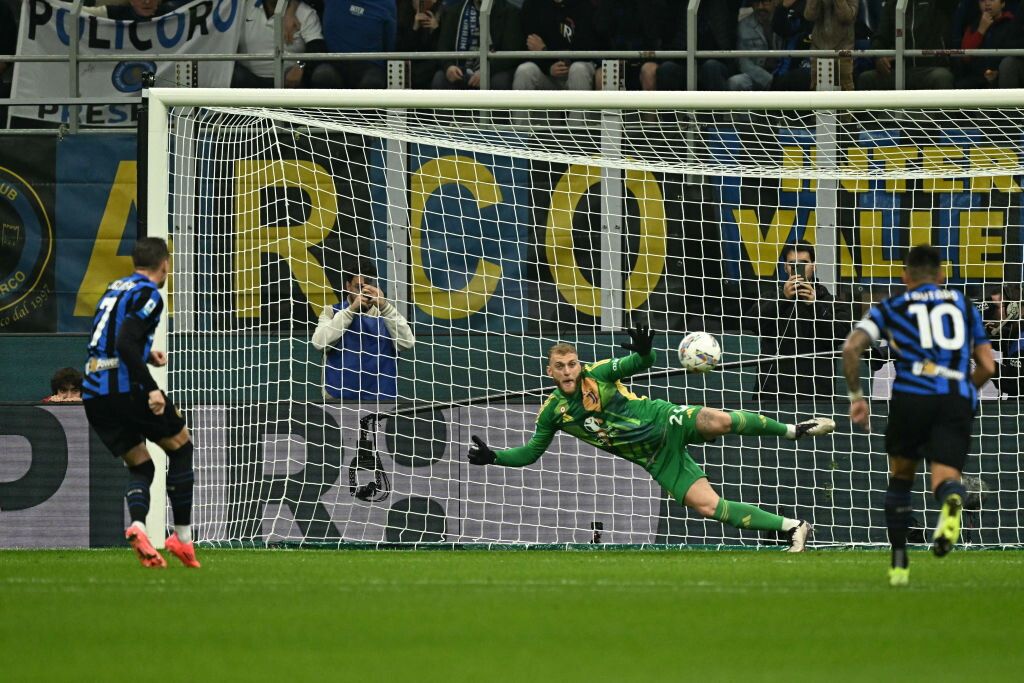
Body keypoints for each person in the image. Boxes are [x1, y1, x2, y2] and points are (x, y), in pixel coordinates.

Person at [467, 326, 837, 551]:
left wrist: (644, 350)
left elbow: (640, 363)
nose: (568, 371)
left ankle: (793, 430)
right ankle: (793, 528)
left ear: (580, 364)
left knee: (719, 421)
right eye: (560, 366)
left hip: (665, 420)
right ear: (550, 372)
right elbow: (531, 452)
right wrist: (495, 457)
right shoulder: (552, 412)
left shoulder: (600, 373)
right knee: (708, 506)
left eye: (572, 364)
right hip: (655, 458)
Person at [842, 244, 995, 587]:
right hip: (953, 400)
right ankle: (952, 499)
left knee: (901, 478)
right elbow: (988, 366)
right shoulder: (963, 305)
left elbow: (851, 347)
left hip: (911, 398)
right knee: (944, 479)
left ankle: (899, 564)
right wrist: (964, 392)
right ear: (941, 275)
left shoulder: (893, 306)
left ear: (904, 277)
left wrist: (857, 398)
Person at [82, 238, 200, 569]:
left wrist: (145, 354)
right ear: (164, 264)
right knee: (181, 446)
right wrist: (152, 389)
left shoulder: (114, 288)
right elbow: (123, 342)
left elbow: (108, 340)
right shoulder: (149, 293)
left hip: (94, 392)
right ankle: (182, 538)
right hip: (124, 388)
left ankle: (138, 526)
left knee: (141, 465)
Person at [748, 242, 852, 401]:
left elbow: (840, 335)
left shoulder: (831, 302)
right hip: (772, 393)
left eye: (803, 263)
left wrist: (814, 305)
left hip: (817, 394)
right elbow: (751, 324)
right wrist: (783, 299)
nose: (798, 268)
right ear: (785, 267)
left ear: (814, 266)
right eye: (793, 264)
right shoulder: (770, 298)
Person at [311, 262, 415, 401]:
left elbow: (407, 343)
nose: (364, 293)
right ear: (348, 286)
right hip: (338, 398)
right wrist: (351, 311)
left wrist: (385, 307)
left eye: (370, 287)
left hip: (382, 400)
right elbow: (319, 343)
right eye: (359, 287)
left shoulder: (387, 314)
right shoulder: (331, 311)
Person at [857, 0, 958, 90]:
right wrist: (879, 57)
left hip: (929, 69)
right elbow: (880, 37)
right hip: (898, 70)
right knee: (866, 79)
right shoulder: (893, 4)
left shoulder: (938, 3)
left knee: (942, 77)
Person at [232, 0, 325, 88]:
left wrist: (301, 66)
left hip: (289, 82)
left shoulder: (305, 12)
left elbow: (317, 46)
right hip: (247, 79)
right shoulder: (244, 8)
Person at [433, 0, 522, 91]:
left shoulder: (509, 12)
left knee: (499, 82)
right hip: (461, 70)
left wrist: (486, 71)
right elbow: (443, 46)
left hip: (495, 70)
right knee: (439, 79)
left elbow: (511, 52)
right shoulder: (454, 11)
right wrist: (448, 66)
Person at [512, 0, 599, 93]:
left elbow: (586, 47)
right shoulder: (533, 4)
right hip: (546, 71)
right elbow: (530, 45)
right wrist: (548, 67)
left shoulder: (583, 5)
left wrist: (545, 50)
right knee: (524, 71)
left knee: (578, 69)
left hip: (576, 66)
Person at [309, 0, 397, 89]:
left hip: (370, 65)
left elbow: (389, 44)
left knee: (373, 82)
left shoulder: (386, 3)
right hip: (335, 63)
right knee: (322, 76)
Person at [956, 0, 1019, 88]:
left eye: (992, 0)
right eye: (982, 1)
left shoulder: (1012, 24)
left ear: (1002, 3)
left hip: (1002, 76)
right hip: (975, 78)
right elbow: (965, 56)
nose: (987, 4)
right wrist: (981, 30)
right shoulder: (973, 25)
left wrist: (998, 72)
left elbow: (1014, 54)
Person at [804, 0, 857, 90]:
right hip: (818, 50)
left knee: (845, 90)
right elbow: (809, 15)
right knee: (817, 90)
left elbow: (847, 17)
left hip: (843, 50)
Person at [397, 0, 444, 89]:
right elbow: (401, 49)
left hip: (430, 65)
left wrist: (436, 30)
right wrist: (414, 28)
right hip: (409, 64)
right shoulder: (403, 11)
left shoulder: (440, 12)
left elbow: (440, 49)